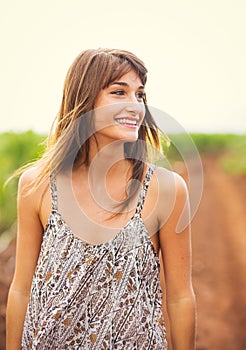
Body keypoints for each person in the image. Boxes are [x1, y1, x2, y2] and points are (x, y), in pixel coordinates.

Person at [6, 48, 196, 349]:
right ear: (84, 100)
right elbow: (21, 290)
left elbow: (180, 296)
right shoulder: (37, 185)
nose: (135, 106)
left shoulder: (167, 188)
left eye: (140, 95)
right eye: (119, 92)